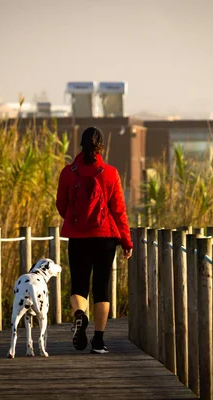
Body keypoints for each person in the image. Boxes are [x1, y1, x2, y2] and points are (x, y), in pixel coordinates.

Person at [56, 126, 133, 354]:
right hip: (105, 237)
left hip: (78, 237)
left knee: (78, 285)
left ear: (81, 144)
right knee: (102, 288)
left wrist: (75, 220)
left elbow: (61, 205)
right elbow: (119, 210)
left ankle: (80, 315)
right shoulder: (110, 173)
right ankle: (98, 341)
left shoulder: (68, 172)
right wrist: (127, 242)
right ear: (101, 147)